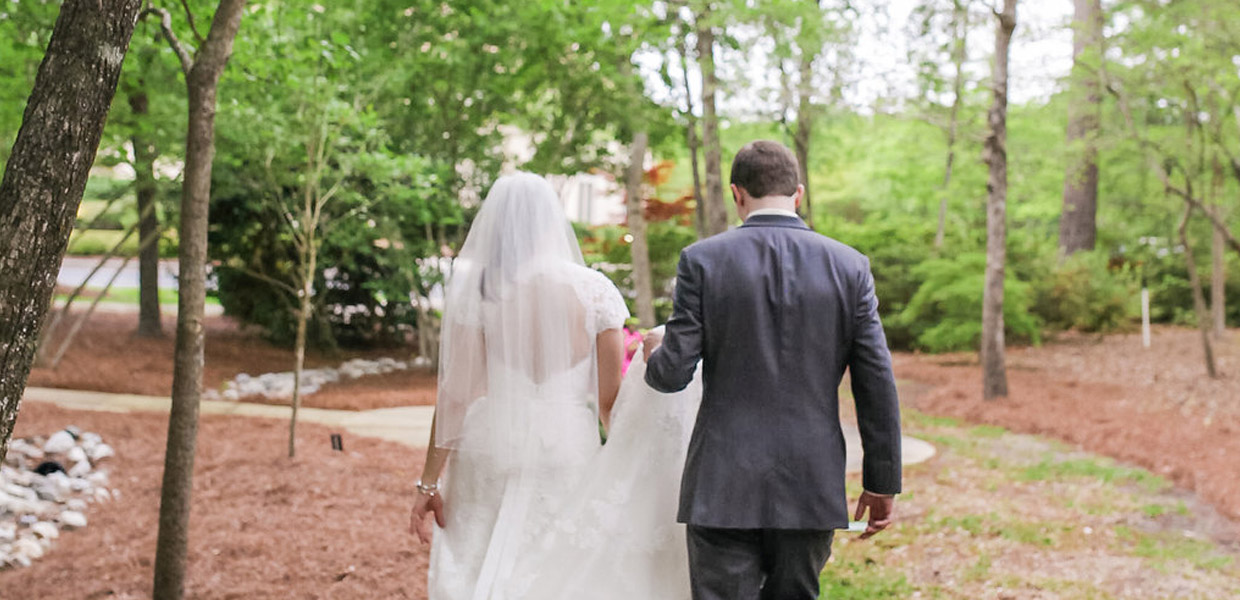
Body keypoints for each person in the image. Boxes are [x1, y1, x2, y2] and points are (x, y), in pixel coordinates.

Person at [643, 140, 904, 600]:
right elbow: (875, 380)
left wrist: (653, 350)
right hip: (810, 483)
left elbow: (671, 375)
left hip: (721, 483)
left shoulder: (701, 261)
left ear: (736, 193)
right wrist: (881, 481)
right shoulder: (850, 267)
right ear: (797, 194)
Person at [408, 172, 630, 599]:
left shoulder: (482, 292)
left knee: (476, 564)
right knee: (557, 572)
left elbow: (455, 395)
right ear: (552, 223)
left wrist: (427, 484)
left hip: (490, 444)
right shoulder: (596, 292)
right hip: (567, 448)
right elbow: (610, 403)